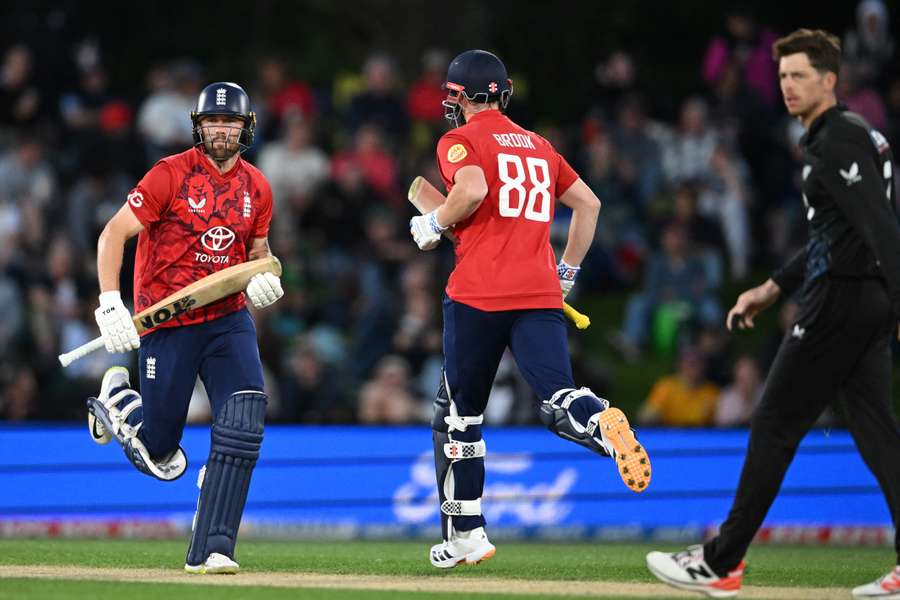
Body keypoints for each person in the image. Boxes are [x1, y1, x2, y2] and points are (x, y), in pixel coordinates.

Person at [646, 29, 900, 599]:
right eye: (783, 76)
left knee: (775, 423)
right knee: (878, 434)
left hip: (839, 299)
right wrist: (770, 287)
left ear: (829, 81)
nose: (787, 86)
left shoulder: (838, 140)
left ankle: (721, 561)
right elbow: (836, 233)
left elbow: (882, 229)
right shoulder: (854, 136)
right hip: (861, 298)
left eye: (800, 76)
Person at [408, 49, 651, 569]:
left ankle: (467, 534)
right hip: (540, 292)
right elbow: (589, 204)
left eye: (453, 94)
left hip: (477, 295)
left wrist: (432, 224)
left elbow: (470, 191)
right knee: (560, 397)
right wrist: (566, 273)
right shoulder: (539, 145)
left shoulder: (460, 140)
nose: (449, 103)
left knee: (461, 419)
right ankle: (600, 419)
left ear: (470, 96)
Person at [85, 82, 284, 574]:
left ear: (246, 128)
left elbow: (258, 255)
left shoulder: (257, 186)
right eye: (214, 122)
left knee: (244, 423)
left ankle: (213, 546)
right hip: (166, 320)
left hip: (226, 319)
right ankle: (119, 397)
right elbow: (113, 234)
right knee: (161, 453)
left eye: (231, 122)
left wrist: (264, 278)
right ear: (198, 126)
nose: (222, 130)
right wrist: (110, 302)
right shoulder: (168, 175)